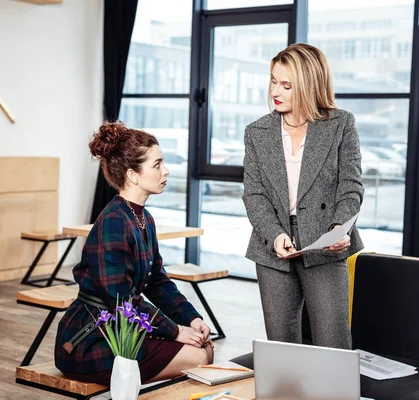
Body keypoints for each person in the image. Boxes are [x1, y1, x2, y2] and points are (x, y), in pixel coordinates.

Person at [55, 122, 214, 385]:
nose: (166, 171)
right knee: (199, 356)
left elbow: (158, 282)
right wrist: (175, 331)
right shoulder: (114, 221)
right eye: (157, 165)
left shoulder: (144, 219)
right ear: (133, 175)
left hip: (121, 327)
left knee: (204, 348)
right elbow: (121, 301)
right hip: (89, 341)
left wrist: (191, 318)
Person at [242, 43, 364, 349]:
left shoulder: (341, 124)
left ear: (310, 86)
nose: (275, 91)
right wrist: (274, 234)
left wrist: (340, 228)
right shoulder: (257, 131)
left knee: (333, 344)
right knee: (282, 348)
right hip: (273, 247)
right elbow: (254, 194)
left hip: (325, 241)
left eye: (286, 85)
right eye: (273, 80)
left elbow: (351, 187)